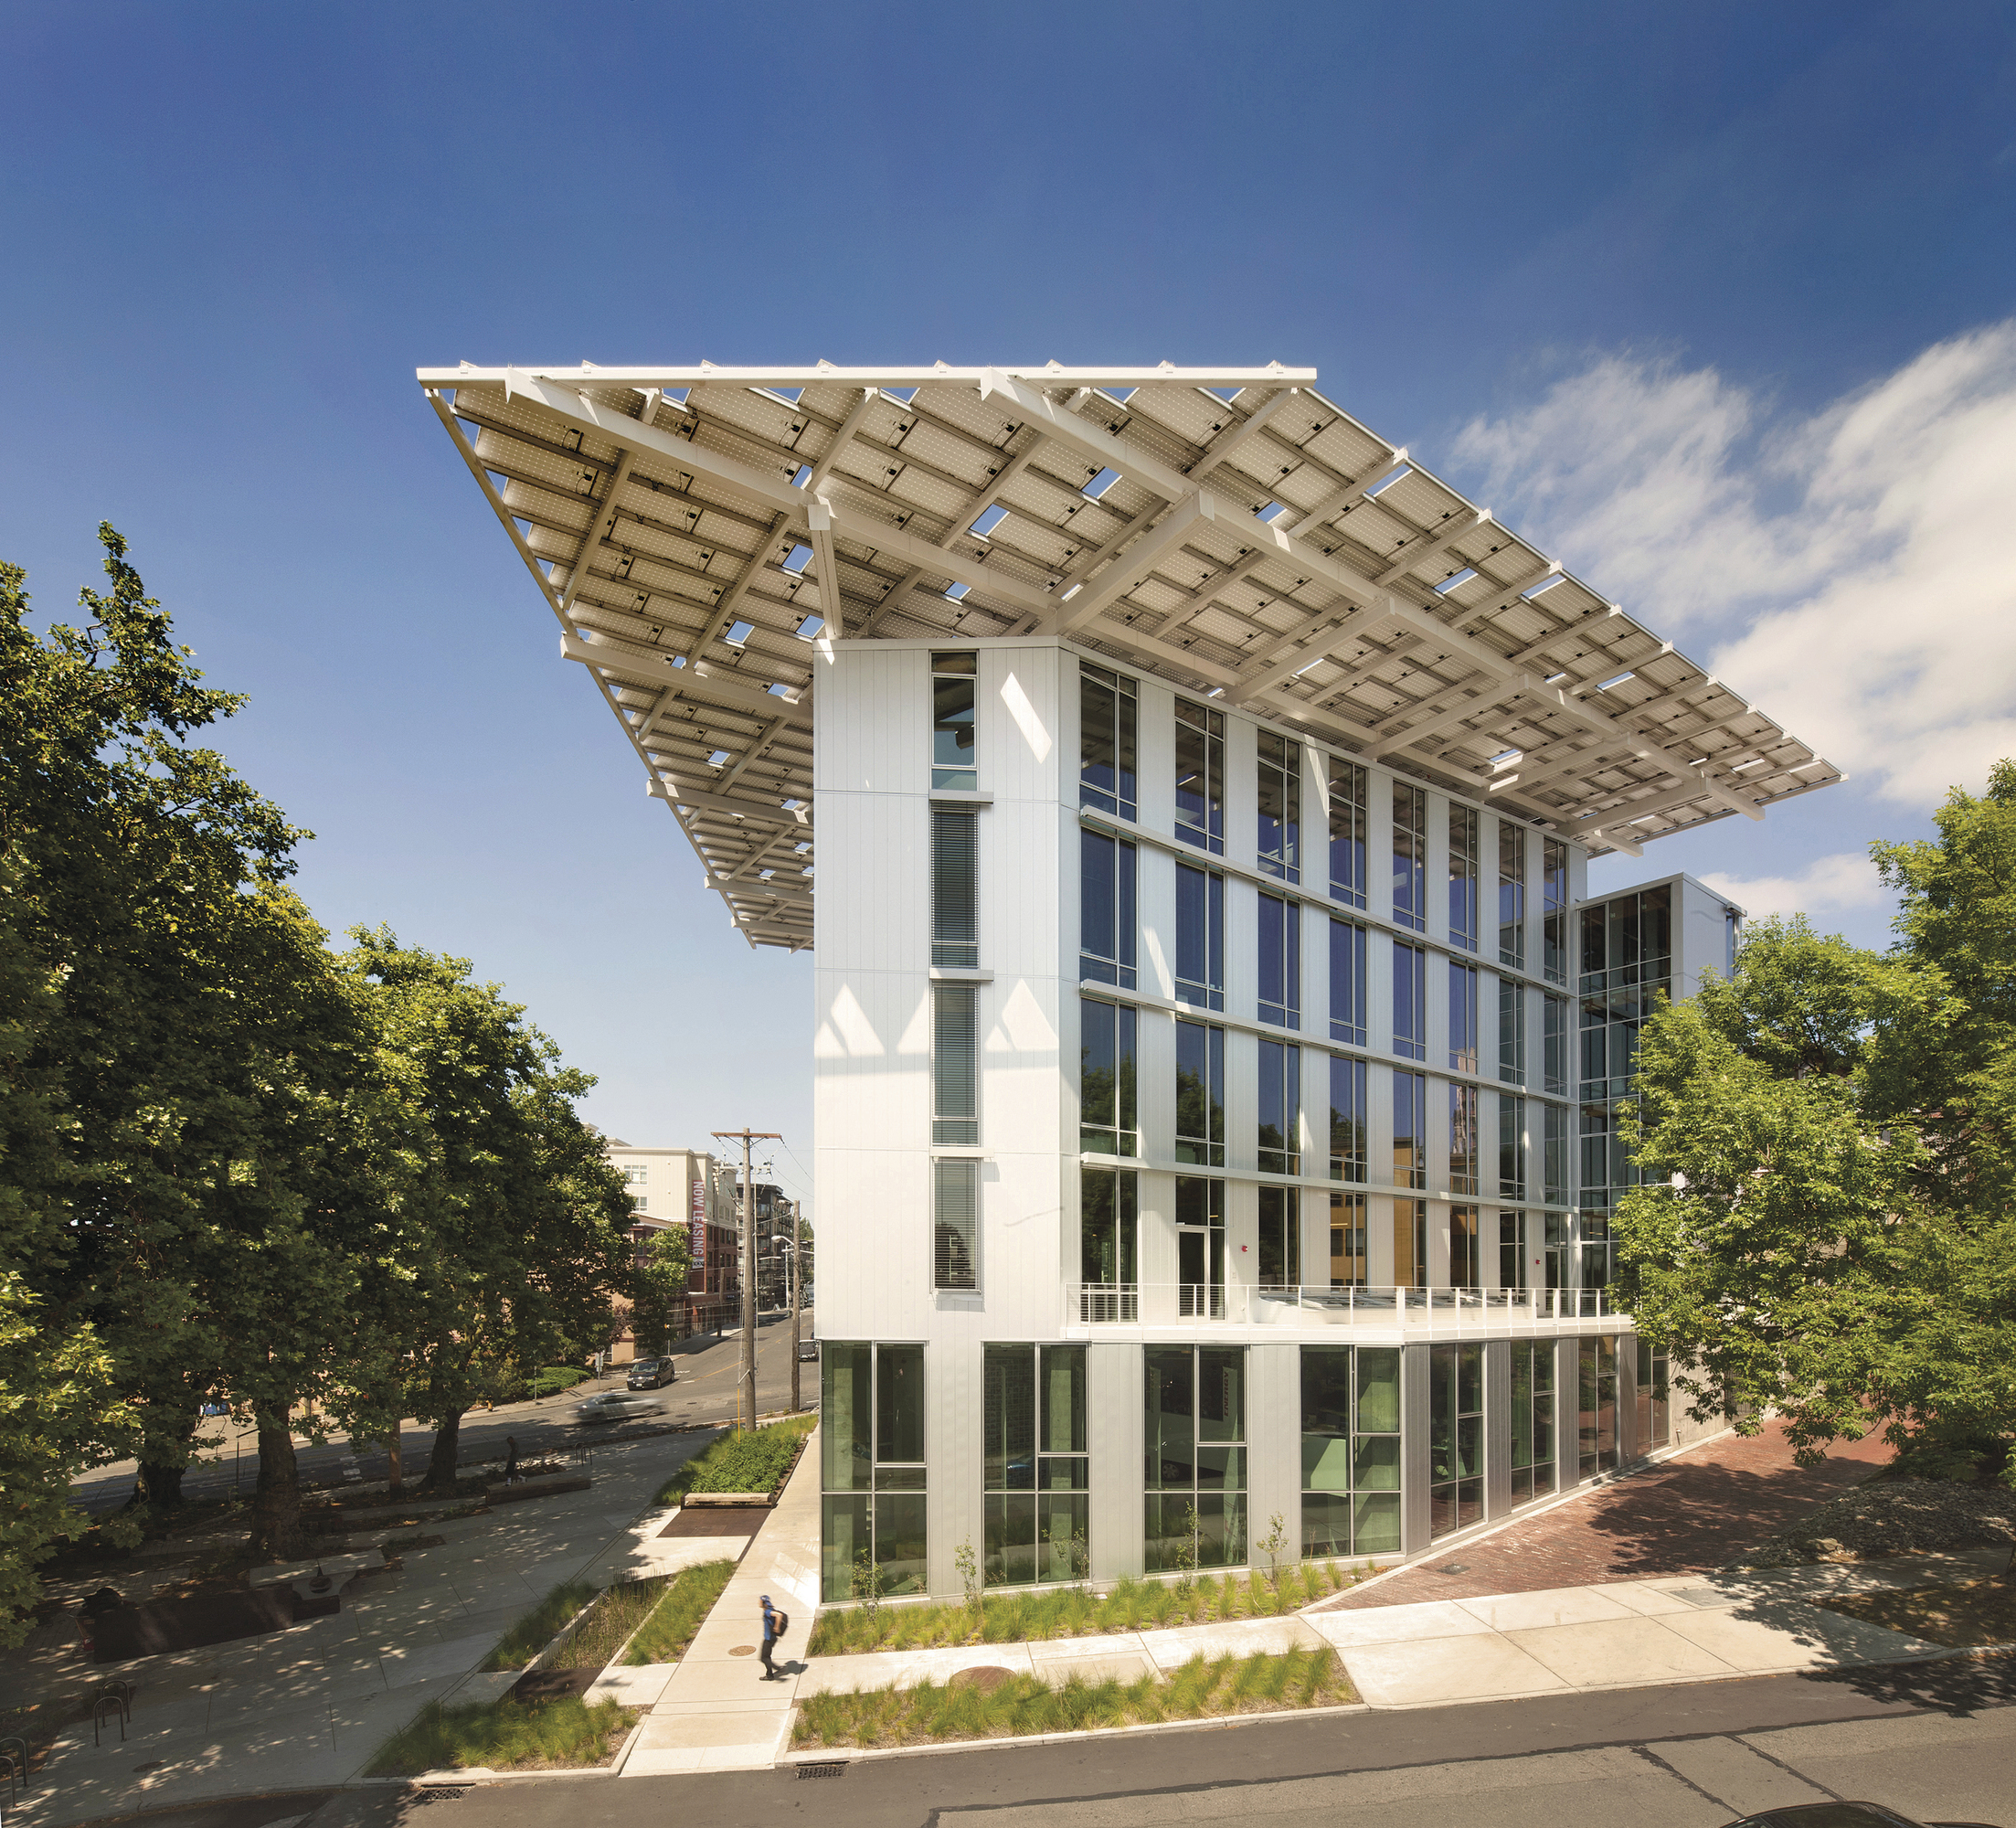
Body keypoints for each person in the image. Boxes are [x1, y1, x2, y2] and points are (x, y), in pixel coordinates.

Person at [759, 1593, 780, 1680]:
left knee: (764, 1658)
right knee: (767, 1656)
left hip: (769, 1639)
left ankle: (774, 1671)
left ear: (763, 1603)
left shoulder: (768, 1611)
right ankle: (770, 1674)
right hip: (772, 1638)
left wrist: (777, 1627)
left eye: (760, 1601)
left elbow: (779, 1615)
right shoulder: (769, 1609)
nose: (759, 1603)